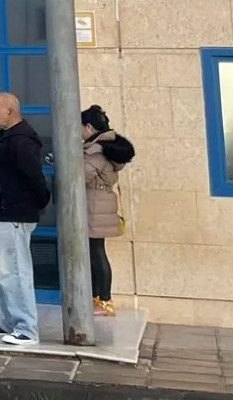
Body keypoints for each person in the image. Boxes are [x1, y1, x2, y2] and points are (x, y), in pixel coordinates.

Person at [0, 92, 50, 347]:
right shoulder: (5, 137)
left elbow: (34, 177)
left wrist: (40, 201)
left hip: (13, 215)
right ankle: (11, 322)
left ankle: (27, 328)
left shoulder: (22, 141)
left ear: (11, 111)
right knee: (1, 273)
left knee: (15, 272)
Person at [82, 105, 135, 319]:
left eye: (80, 127)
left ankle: (104, 301)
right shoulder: (105, 147)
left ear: (89, 127)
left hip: (95, 206)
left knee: (96, 253)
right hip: (101, 204)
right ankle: (99, 298)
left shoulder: (96, 150)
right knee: (96, 251)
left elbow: (82, 175)